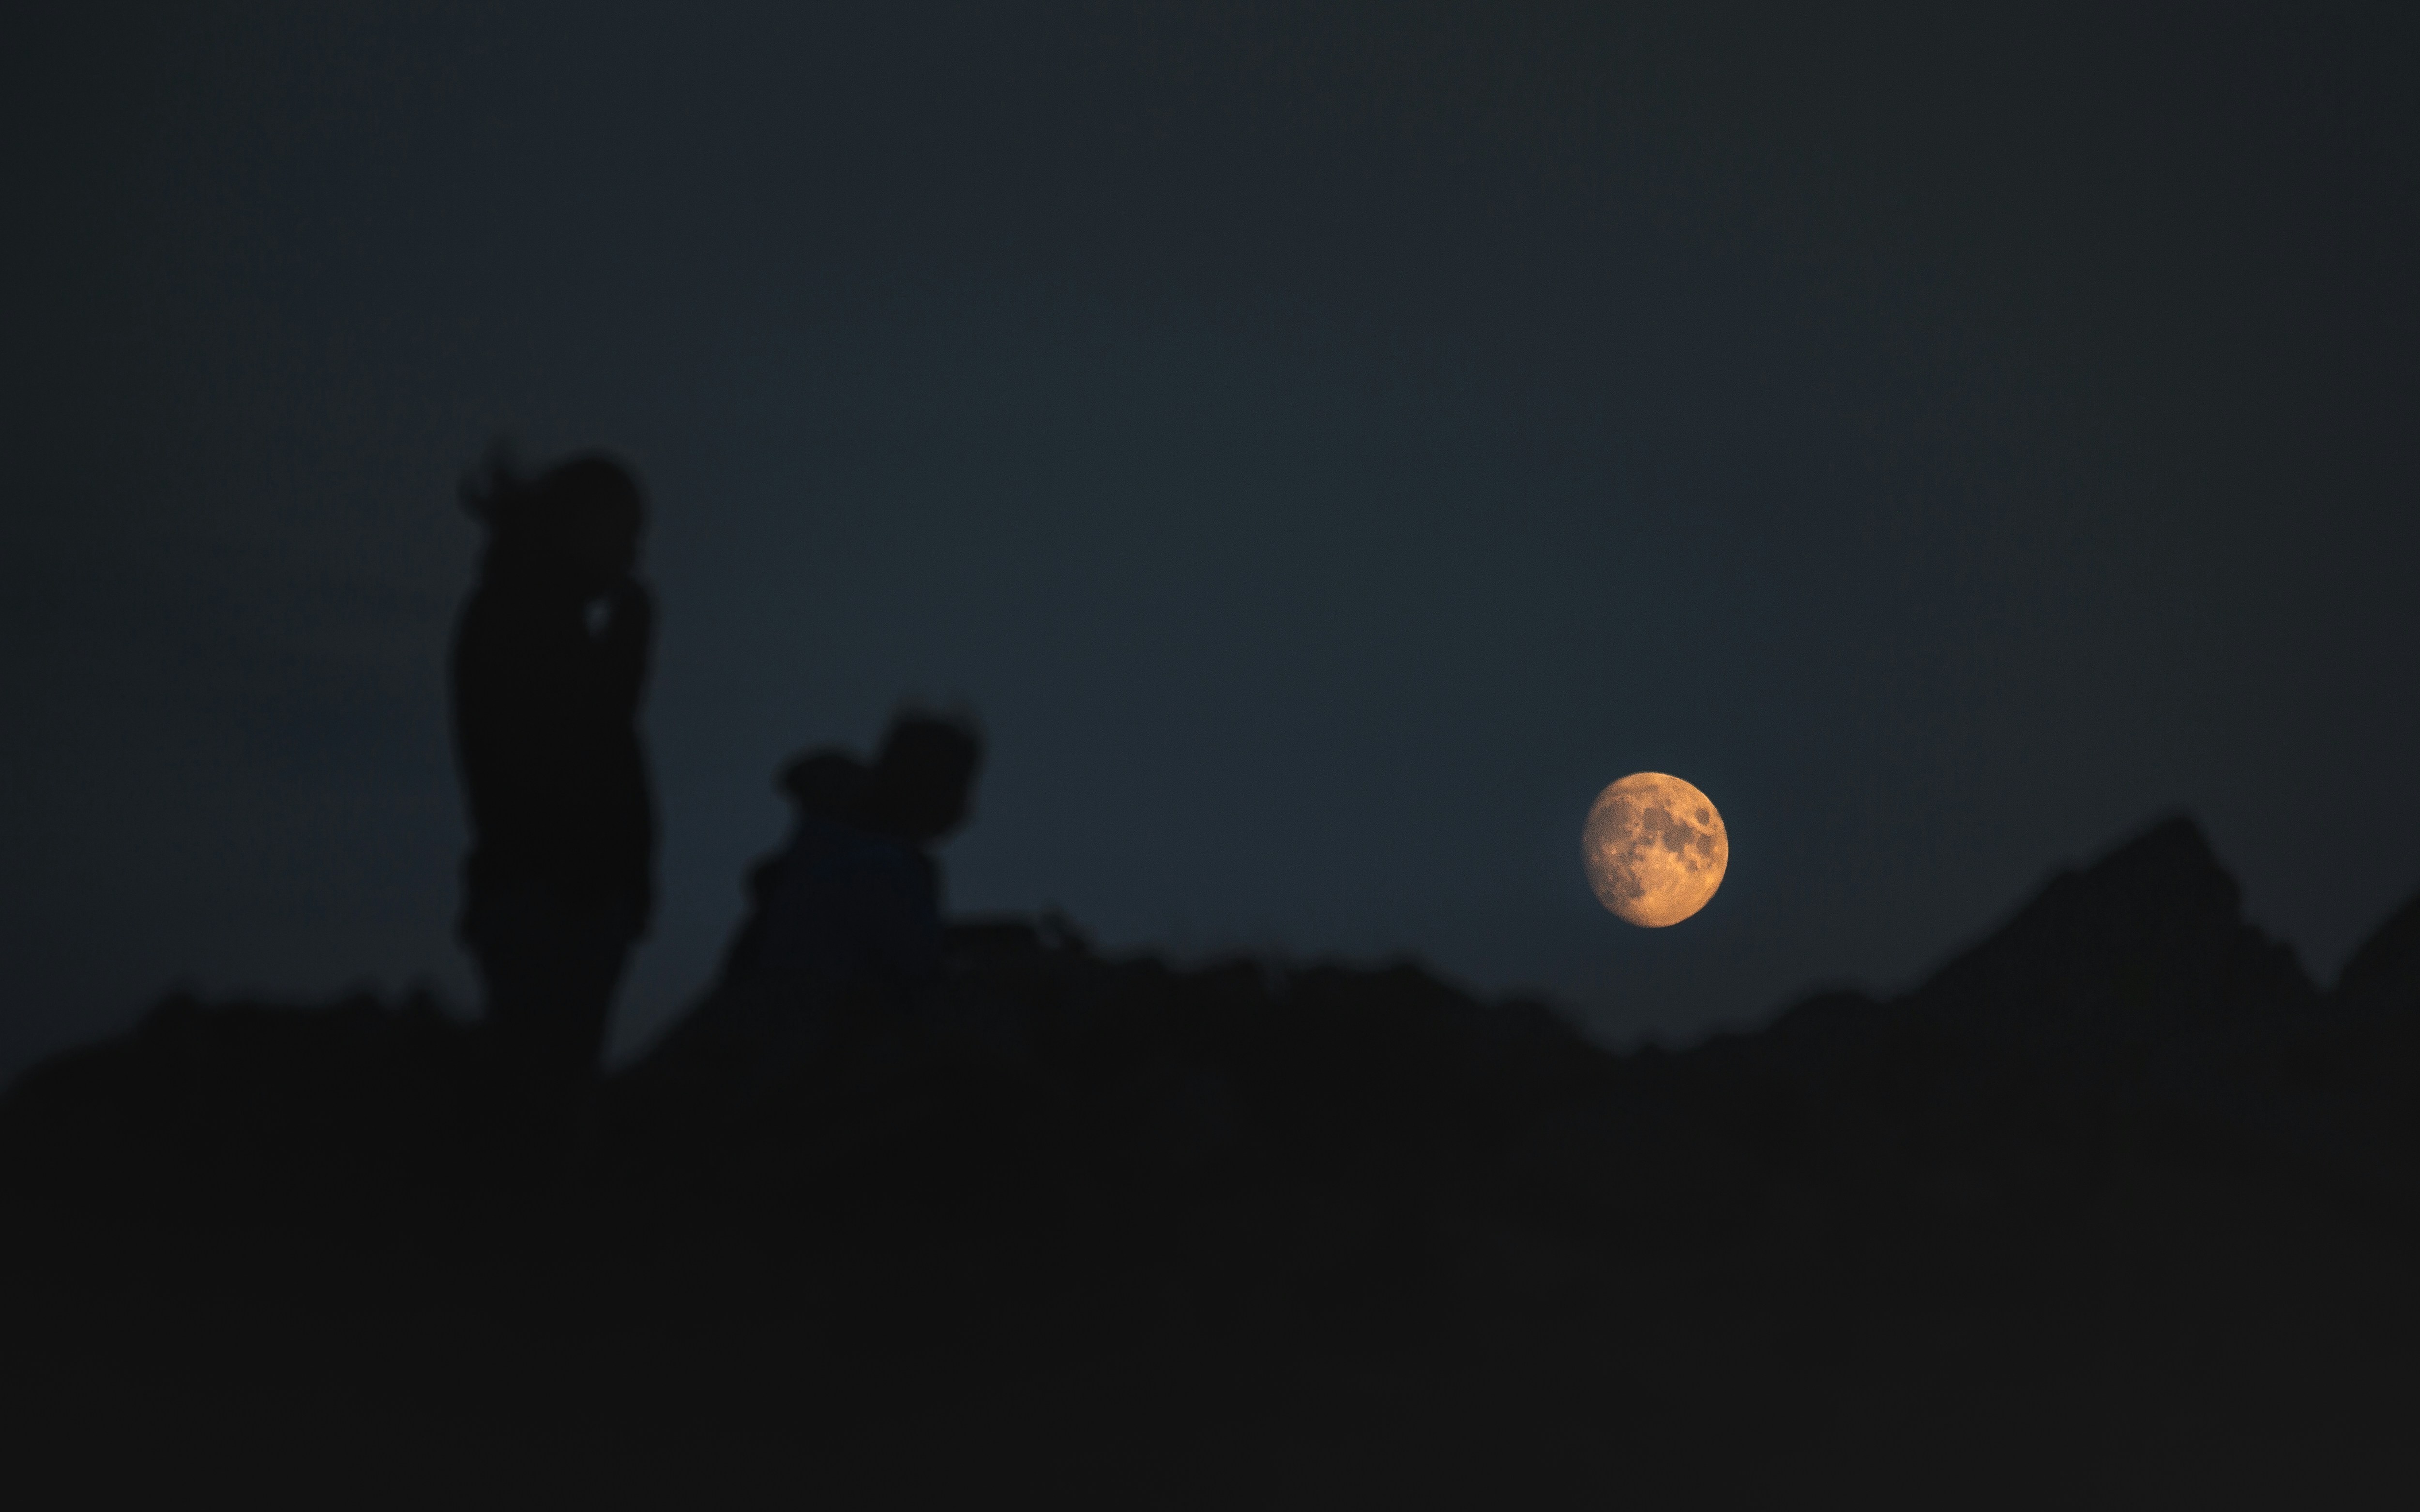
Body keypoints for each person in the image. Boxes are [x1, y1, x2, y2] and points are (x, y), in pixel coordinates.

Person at [449, 447, 656, 1115]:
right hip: (553, 898)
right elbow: (580, 738)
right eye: (624, 531)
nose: (632, 553)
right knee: (540, 1095)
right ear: (579, 522)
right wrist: (629, 640)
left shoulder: (527, 613)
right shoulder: (522, 616)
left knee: (544, 1089)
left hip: (561, 894)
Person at [644, 710, 982, 1095]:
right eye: (958, 786)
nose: (967, 808)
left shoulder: (826, 845)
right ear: (931, 789)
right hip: (800, 1065)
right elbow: (916, 974)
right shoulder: (885, 871)